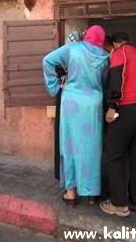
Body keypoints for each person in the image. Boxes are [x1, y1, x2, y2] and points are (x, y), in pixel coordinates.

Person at [43, 25, 109, 206]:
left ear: (87, 35)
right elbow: (104, 83)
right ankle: (91, 193)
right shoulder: (105, 57)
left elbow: (48, 61)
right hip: (93, 104)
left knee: (70, 146)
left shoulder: (73, 48)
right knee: (92, 147)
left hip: (71, 103)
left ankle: (71, 193)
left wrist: (54, 86)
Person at [100, 32, 136, 217]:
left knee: (114, 156)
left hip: (126, 109)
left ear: (115, 44)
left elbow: (116, 80)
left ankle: (119, 204)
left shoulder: (121, 53)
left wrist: (112, 107)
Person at [54, 31, 82, 181]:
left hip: (65, 100)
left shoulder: (60, 59)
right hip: (82, 103)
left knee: (65, 140)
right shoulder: (84, 59)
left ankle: (67, 178)